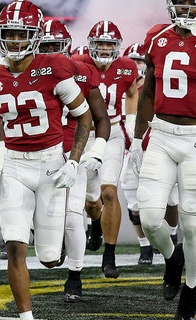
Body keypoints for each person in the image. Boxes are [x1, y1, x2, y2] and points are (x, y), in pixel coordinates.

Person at [0, 1, 92, 318]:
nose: (15, 41)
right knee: (15, 247)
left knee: (48, 257)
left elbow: (84, 118)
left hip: (50, 163)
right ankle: (26, 316)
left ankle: (50, 235)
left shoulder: (56, 67)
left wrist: (73, 160)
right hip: (16, 165)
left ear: (34, 36)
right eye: (10, 34)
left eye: (22, 35)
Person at [133, 0, 196, 319]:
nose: (185, 7)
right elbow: (148, 94)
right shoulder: (156, 36)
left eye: (192, 2)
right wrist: (138, 141)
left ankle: (191, 289)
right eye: (180, 0)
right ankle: (171, 258)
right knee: (150, 218)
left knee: (192, 224)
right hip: (162, 135)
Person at [38, 18, 110, 302]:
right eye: (45, 47)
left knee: (82, 210)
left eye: (56, 47)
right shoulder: (22, 74)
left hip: (75, 151)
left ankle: (75, 277)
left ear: (66, 47)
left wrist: (99, 148)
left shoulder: (82, 73)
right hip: (40, 153)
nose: (51, 54)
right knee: (61, 216)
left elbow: (101, 117)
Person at [71, 20, 139, 279]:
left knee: (109, 192)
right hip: (83, 134)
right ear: (90, 45)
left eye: (109, 44)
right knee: (91, 202)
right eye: (99, 43)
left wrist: (131, 124)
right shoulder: (78, 64)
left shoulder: (127, 67)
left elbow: (132, 93)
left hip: (111, 133)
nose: (104, 48)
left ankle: (109, 255)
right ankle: (96, 222)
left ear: (117, 47)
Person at [120, 42, 180, 265]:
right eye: (132, 61)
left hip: (160, 148)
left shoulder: (160, 85)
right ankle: (144, 246)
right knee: (134, 202)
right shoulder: (121, 91)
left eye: (140, 61)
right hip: (133, 152)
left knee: (172, 198)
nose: (136, 66)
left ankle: (172, 234)